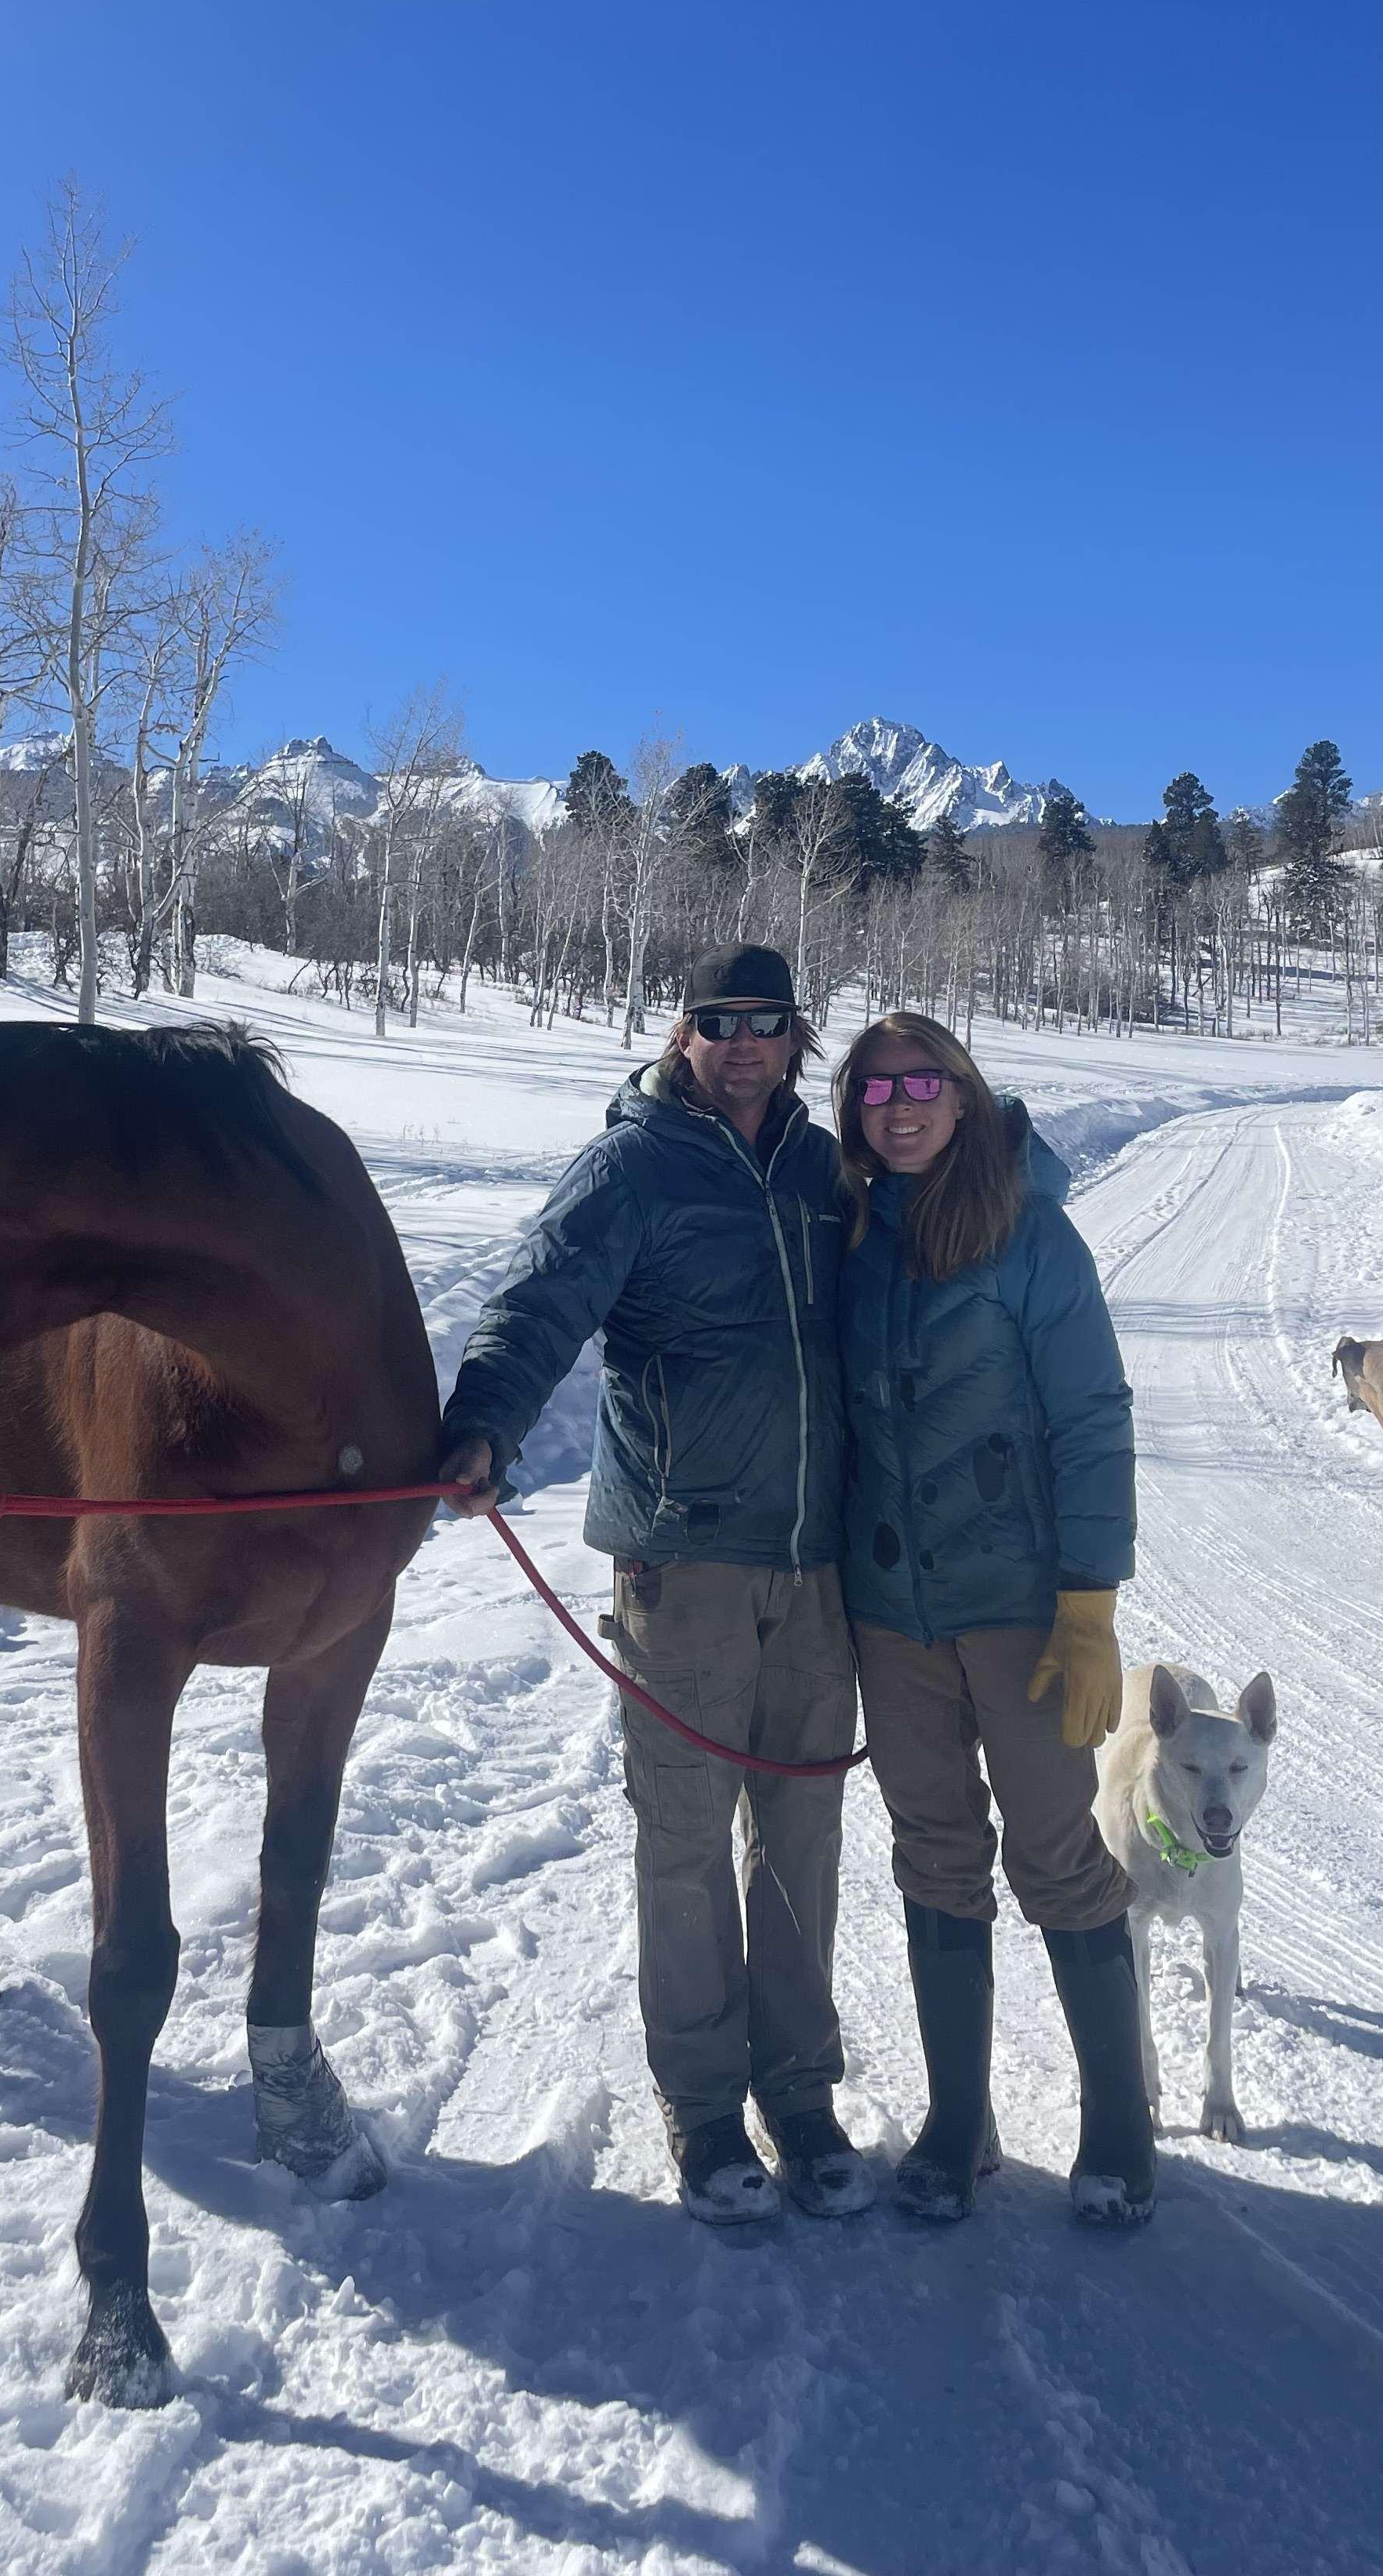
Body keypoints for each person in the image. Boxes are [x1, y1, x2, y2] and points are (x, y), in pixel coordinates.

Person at [437, 945, 866, 2225]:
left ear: (798, 1037)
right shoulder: (632, 1164)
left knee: (803, 1838)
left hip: (817, 1560)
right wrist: (486, 1422)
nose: (743, 1043)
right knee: (683, 1840)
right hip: (682, 1557)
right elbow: (541, 1295)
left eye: (767, 1023)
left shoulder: (818, 1168)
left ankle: (800, 2093)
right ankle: (700, 2108)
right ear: (683, 1033)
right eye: (718, 1021)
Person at [833, 1008, 1151, 2228]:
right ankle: (959, 2118)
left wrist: (1090, 1604)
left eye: (923, 1083)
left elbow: (1093, 1417)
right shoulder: (849, 1231)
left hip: (1020, 1609)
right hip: (889, 1614)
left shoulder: (1032, 1236)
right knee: (935, 1851)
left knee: (1060, 1858)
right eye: (874, 1089)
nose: (899, 1105)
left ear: (964, 1097)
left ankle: (1118, 2122)